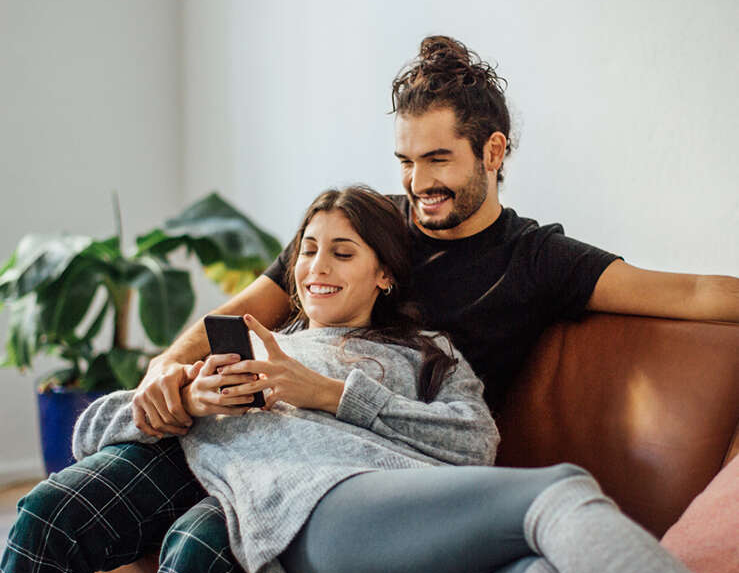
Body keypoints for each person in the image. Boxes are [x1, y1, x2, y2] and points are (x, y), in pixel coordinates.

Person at [0, 186, 737, 573]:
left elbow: (472, 443)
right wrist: (181, 393)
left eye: (341, 251)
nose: (314, 268)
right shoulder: (242, 351)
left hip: (362, 504)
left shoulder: (426, 355)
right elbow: (98, 428)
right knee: (45, 516)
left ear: (385, 274)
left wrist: (327, 394)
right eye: (306, 251)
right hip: (264, 487)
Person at [129, 35, 739, 435]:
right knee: (84, 495)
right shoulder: (362, 225)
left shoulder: (535, 258)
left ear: (492, 151)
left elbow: (691, 296)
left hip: (396, 457)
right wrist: (164, 366)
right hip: (278, 436)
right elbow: (245, 311)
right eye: (405, 161)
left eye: (438, 160)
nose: (417, 183)